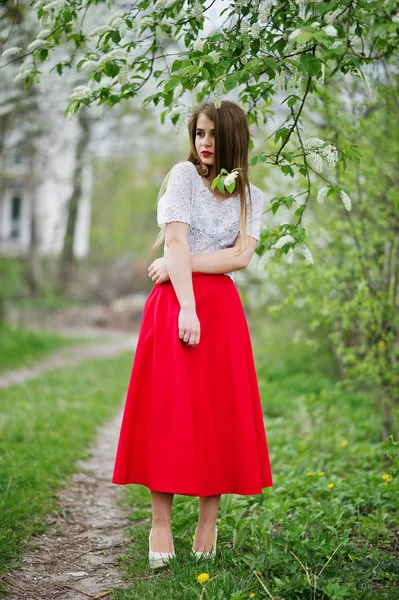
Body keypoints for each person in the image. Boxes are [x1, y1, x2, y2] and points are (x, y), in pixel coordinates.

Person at [111, 99, 273, 569]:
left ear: (233, 140)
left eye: (213, 135)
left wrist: (175, 265)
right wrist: (186, 304)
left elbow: (240, 257)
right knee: (168, 409)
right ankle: (160, 523)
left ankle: (208, 520)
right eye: (199, 134)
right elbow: (177, 239)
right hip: (176, 306)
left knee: (217, 412)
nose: (204, 143)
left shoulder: (250, 197)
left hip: (222, 311)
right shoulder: (182, 178)